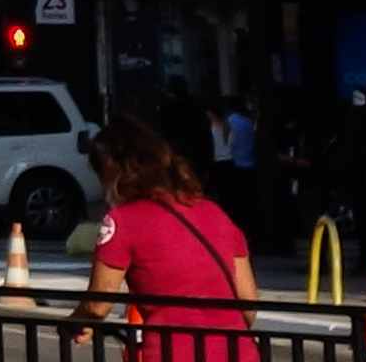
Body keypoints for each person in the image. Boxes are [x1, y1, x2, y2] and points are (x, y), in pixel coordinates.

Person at [90, 117, 256, 358]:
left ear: (111, 171)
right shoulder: (214, 213)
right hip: (238, 352)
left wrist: (77, 322)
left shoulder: (122, 220)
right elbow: (248, 306)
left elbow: (97, 304)